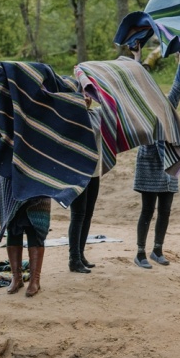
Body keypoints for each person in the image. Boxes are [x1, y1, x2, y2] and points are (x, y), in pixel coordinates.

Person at [133, 47, 180, 269]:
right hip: (148, 163)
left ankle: (157, 250)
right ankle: (140, 253)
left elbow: (178, 88)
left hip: (170, 162)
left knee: (165, 209)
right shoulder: (143, 107)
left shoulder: (168, 106)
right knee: (147, 209)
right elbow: (136, 87)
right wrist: (137, 60)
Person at [67, 98, 102, 273]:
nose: (86, 99)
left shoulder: (96, 114)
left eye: (89, 95)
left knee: (88, 213)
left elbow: (112, 106)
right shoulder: (71, 116)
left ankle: (80, 254)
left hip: (94, 172)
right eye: (82, 94)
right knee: (78, 214)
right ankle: (73, 259)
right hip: (77, 172)